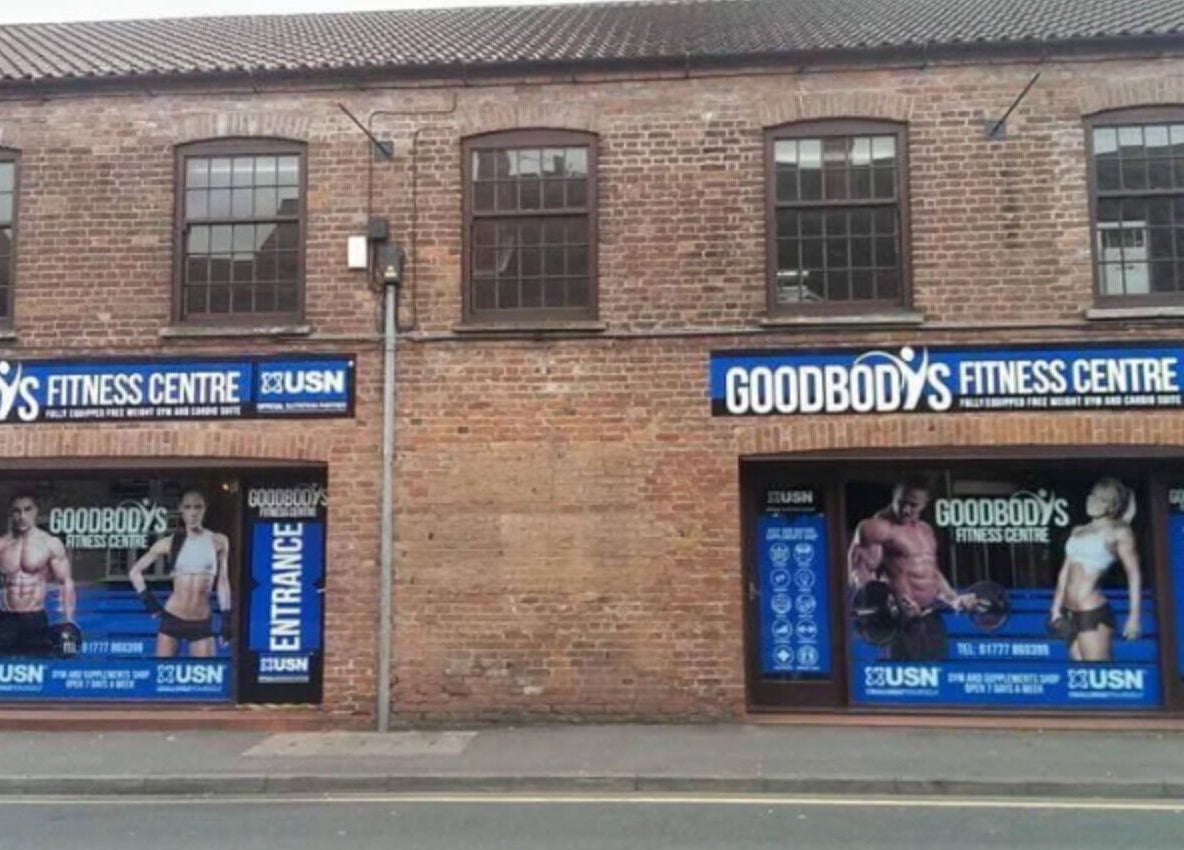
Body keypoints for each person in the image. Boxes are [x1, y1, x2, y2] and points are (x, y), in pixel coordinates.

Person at [848, 477, 976, 661]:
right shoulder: (876, 528)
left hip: (930, 618)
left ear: (925, 504)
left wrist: (954, 598)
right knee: (905, 686)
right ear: (894, 496)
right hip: (900, 623)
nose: (906, 509)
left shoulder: (925, 530)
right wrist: (892, 607)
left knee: (939, 679)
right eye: (901, 502)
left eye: (913, 505)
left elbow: (932, 573)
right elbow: (859, 575)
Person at [129, 489, 232, 658]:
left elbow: (223, 581)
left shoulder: (219, 541)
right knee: (163, 675)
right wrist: (150, 603)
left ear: (205, 508)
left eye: (198, 507)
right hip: (173, 617)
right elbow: (135, 572)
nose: (193, 513)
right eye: (188, 507)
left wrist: (226, 618)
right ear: (181, 509)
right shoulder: (169, 543)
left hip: (201, 620)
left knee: (206, 678)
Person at [1048, 478, 1141, 662]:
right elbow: (1065, 572)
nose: (1092, 502)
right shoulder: (1078, 531)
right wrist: (1055, 608)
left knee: (1096, 674)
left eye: (1101, 500)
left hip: (1091, 611)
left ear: (1112, 506)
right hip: (1068, 612)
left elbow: (1133, 573)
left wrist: (1134, 617)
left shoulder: (1118, 532)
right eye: (1092, 497)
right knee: (1081, 675)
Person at [0, 492, 76, 656]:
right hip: (6, 617)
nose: (22, 516)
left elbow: (66, 582)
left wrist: (68, 619)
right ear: (11, 513)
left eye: (27, 510)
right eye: (17, 511)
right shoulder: (2, 545)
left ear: (36, 511)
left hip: (34, 617)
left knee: (36, 667)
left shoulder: (49, 543)